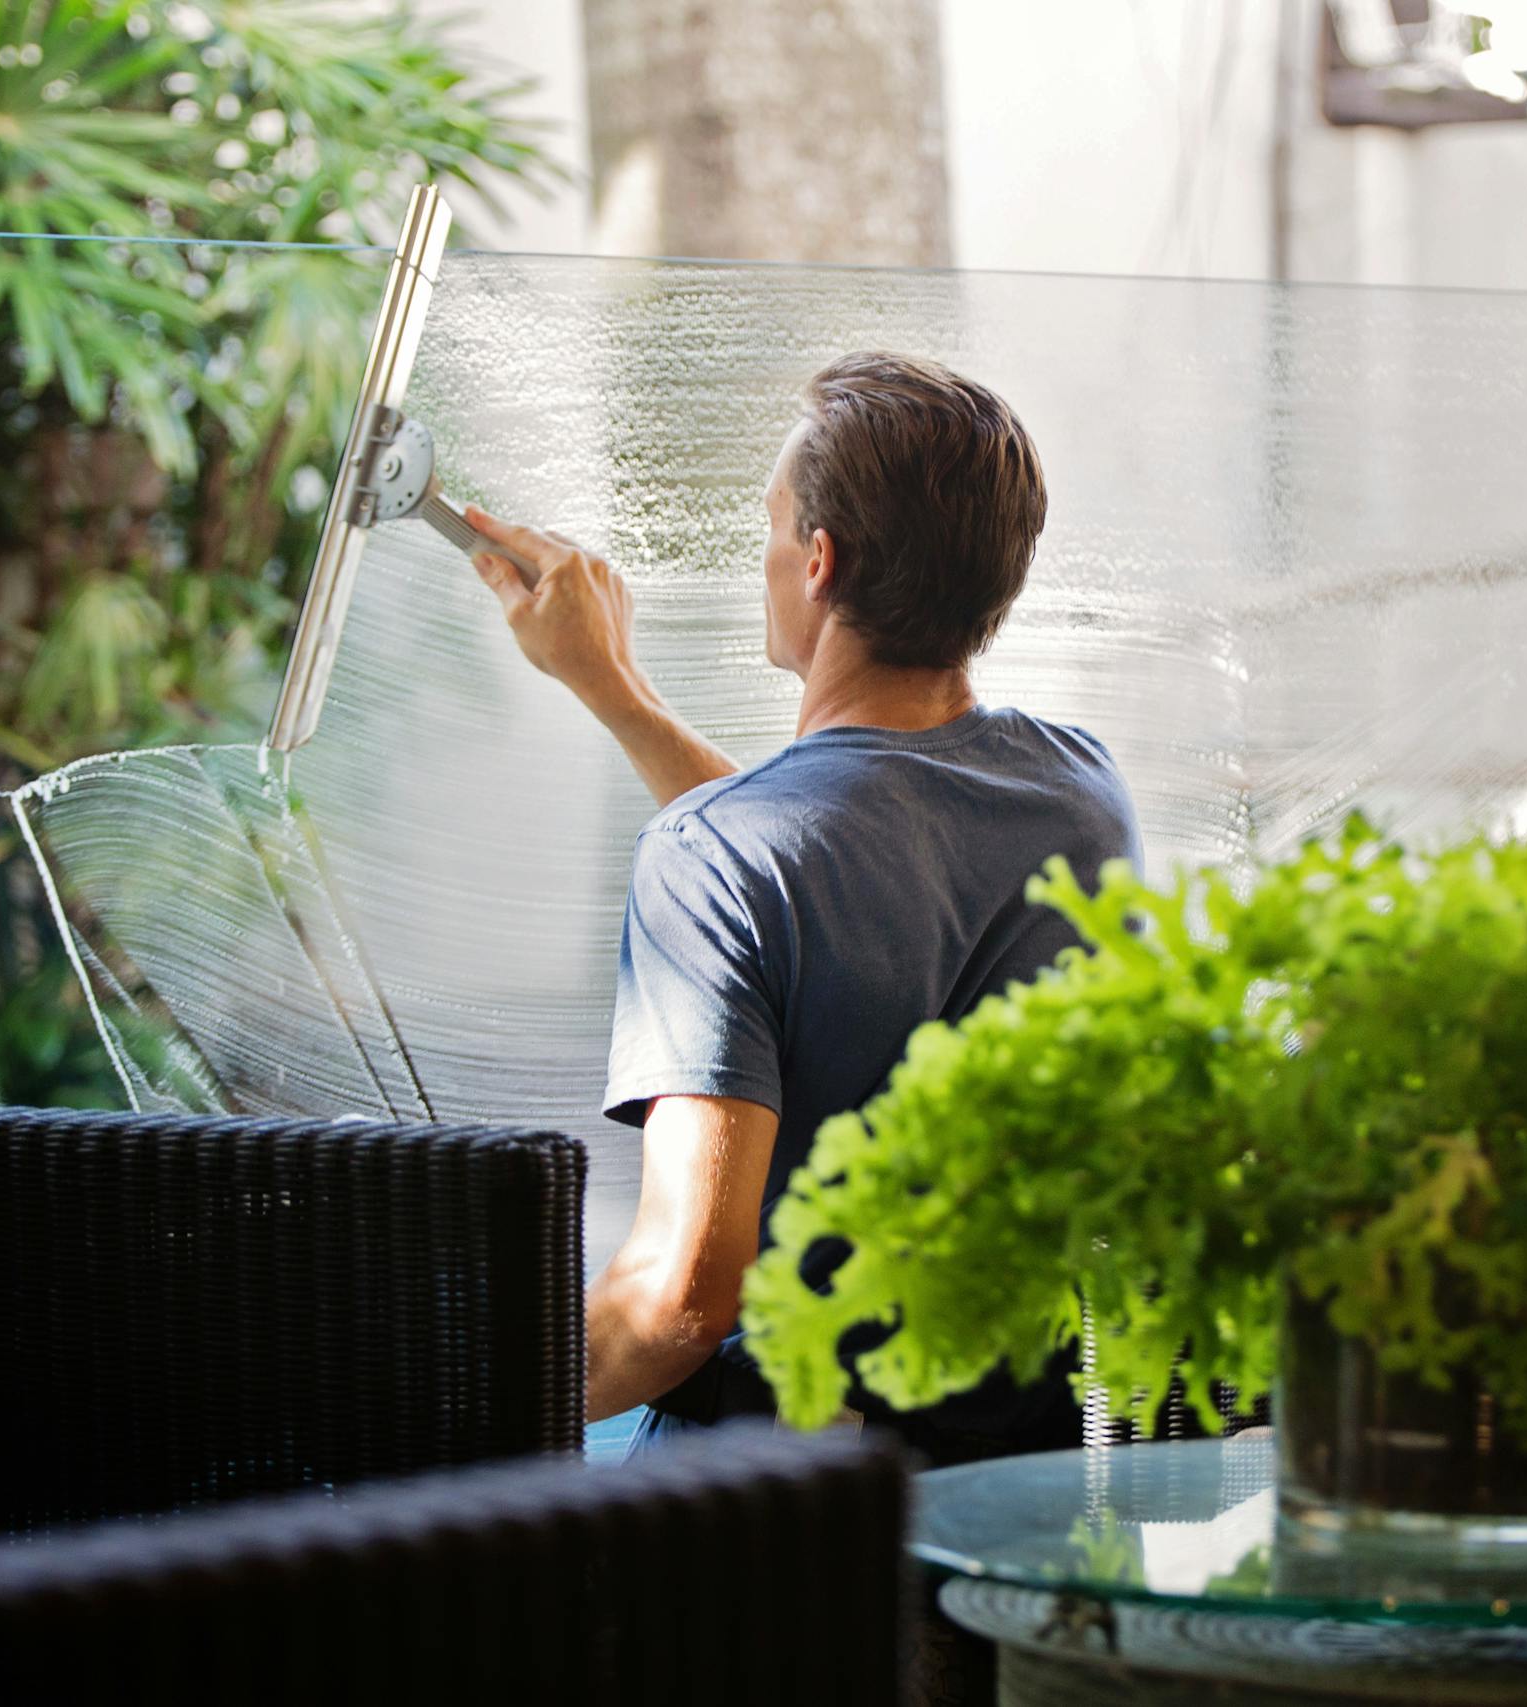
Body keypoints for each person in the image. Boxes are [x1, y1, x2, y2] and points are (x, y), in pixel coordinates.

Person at [465, 351, 1141, 1463]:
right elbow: (843, 855)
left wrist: (430, 1395)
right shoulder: (1081, 795)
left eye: (772, 528)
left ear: (818, 563)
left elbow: (678, 1304)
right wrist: (614, 691)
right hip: (1018, 1480)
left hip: (782, 1513)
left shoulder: (718, 857)